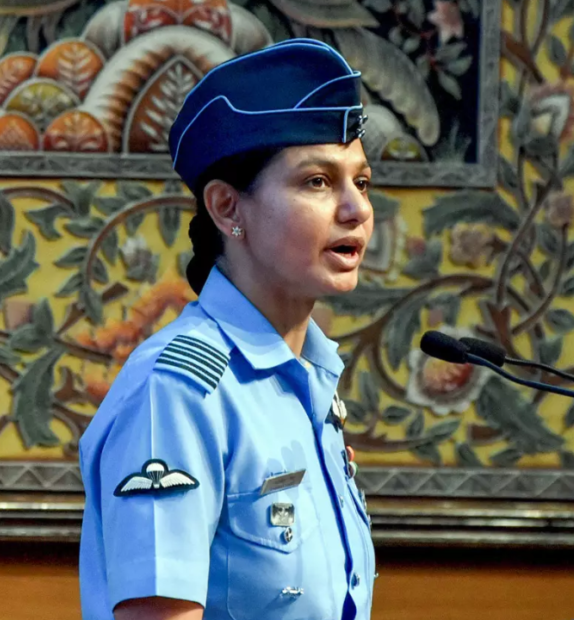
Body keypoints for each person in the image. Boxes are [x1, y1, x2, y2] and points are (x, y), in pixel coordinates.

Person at [78, 38, 376, 620]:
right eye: (317, 181)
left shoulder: (309, 378)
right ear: (226, 208)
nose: (356, 210)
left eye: (361, 182)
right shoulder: (179, 391)